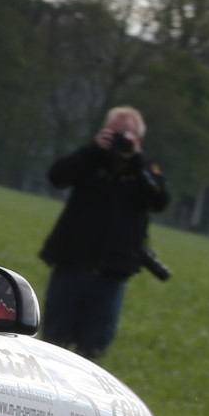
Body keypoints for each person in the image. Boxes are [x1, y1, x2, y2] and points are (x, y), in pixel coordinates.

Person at [38, 106, 171, 359]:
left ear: (139, 140)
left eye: (125, 135)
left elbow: (160, 201)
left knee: (93, 349)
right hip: (70, 266)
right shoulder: (90, 161)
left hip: (111, 277)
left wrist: (137, 161)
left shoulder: (144, 170)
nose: (118, 140)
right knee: (52, 346)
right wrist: (93, 150)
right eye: (113, 133)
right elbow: (57, 177)